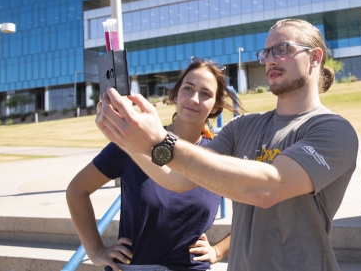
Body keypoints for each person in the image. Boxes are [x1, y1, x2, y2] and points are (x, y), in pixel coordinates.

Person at [95, 18, 359, 270]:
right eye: (266, 53)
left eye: (282, 49)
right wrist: (128, 138)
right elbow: (177, 178)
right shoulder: (241, 127)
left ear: (315, 57)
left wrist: (158, 141)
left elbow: (268, 187)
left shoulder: (333, 130)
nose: (270, 60)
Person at [66, 57, 241, 271]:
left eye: (206, 94)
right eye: (188, 88)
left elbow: (255, 208)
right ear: (176, 95)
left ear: (215, 107)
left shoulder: (217, 156)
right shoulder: (136, 140)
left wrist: (218, 251)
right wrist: (95, 251)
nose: (194, 99)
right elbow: (77, 190)